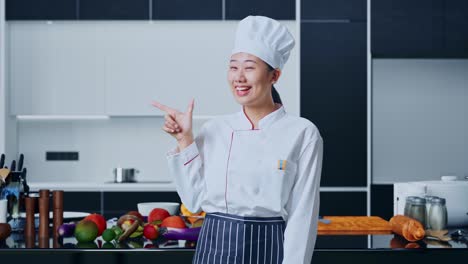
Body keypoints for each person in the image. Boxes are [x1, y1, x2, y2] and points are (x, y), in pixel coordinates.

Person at [152, 15, 323, 264]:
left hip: (268, 247)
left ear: (274, 75)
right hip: (213, 245)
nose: (239, 77)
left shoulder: (302, 133)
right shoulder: (215, 128)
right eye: (233, 67)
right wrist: (184, 139)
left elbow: (303, 215)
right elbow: (193, 200)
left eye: (249, 67)